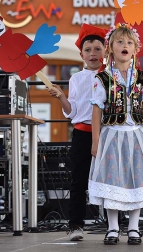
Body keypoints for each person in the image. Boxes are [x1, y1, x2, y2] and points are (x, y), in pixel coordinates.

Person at [88, 23, 143, 245]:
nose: (125, 46)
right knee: (112, 179)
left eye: (129, 42)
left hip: (136, 135)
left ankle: (134, 227)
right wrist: (96, 140)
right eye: (120, 42)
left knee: (135, 179)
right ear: (110, 48)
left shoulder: (141, 79)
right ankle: (112, 227)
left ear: (136, 49)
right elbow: (97, 110)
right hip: (112, 135)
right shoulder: (103, 79)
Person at [47, 23, 107, 241]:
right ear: (81, 54)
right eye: (88, 50)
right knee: (78, 181)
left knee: (110, 180)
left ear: (106, 51)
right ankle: (75, 225)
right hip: (82, 133)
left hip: (108, 134)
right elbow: (71, 112)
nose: (93, 54)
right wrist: (61, 97)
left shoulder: (111, 76)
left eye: (97, 49)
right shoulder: (76, 78)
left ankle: (113, 225)